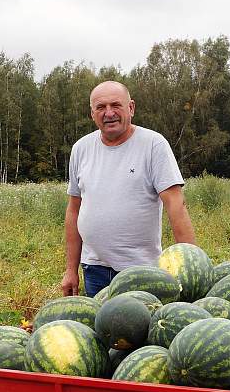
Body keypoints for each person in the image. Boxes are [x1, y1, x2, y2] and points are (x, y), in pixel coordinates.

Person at [61, 81, 196, 297]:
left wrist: (193, 268)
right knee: (102, 329)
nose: (109, 113)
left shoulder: (153, 145)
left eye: (116, 105)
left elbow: (176, 204)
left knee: (137, 328)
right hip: (94, 269)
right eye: (100, 107)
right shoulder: (81, 149)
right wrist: (70, 270)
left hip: (140, 271)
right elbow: (74, 210)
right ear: (92, 114)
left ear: (131, 108)